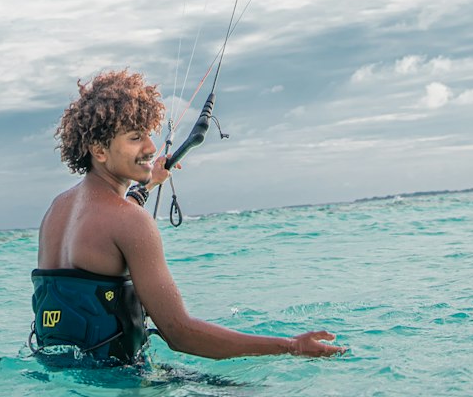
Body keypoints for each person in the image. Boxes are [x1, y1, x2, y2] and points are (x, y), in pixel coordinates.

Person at [31, 69, 346, 365]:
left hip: (63, 372)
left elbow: (110, 222)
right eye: (135, 137)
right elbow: (180, 334)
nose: (150, 146)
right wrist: (290, 346)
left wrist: (150, 182)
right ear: (99, 150)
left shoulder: (57, 210)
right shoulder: (130, 222)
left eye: (148, 134)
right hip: (121, 387)